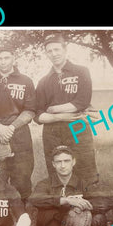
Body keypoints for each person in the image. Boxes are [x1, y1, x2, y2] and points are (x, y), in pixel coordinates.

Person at [28, 145, 107, 226]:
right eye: (58, 162)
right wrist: (65, 201)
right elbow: (34, 199)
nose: (63, 165)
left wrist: (80, 207)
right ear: (53, 164)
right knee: (46, 214)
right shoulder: (45, 183)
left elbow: (103, 202)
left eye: (66, 161)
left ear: (73, 162)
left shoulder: (82, 183)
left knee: (100, 218)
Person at [35, 33, 99, 185]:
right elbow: (37, 114)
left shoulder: (81, 71)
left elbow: (82, 102)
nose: (54, 54)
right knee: (57, 170)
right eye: (49, 51)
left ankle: (87, 206)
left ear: (65, 49)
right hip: (52, 132)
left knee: (85, 167)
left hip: (77, 127)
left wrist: (52, 109)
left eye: (57, 49)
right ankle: (61, 206)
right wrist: (60, 116)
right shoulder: (43, 81)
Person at [0, 46, 37, 201]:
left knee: (22, 178)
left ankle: (22, 216)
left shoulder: (26, 80)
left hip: (20, 135)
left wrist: (11, 127)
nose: (3, 62)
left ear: (14, 58)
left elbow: (30, 110)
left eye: (6, 58)